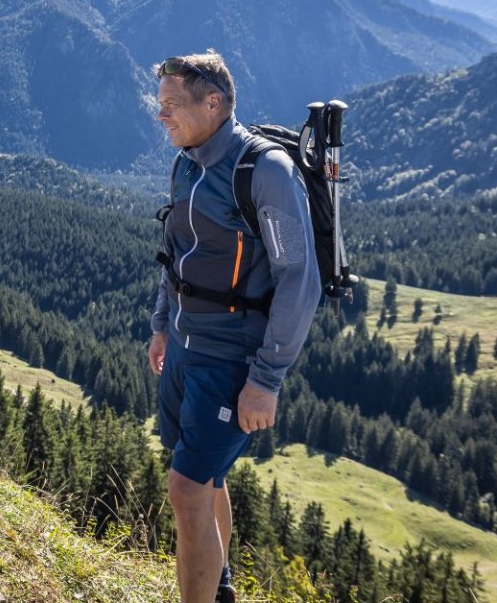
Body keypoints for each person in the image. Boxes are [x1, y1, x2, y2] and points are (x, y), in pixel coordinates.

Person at [148, 53, 321, 603]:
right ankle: (219, 591)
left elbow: (300, 279)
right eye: (160, 106)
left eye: (172, 105)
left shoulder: (264, 171)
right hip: (183, 345)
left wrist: (266, 379)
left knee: (186, 490)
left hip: (230, 358)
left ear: (214, 103)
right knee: (204, 478)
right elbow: (176, 254)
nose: (162, 117)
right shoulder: (188, 161)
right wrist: (161, 325)